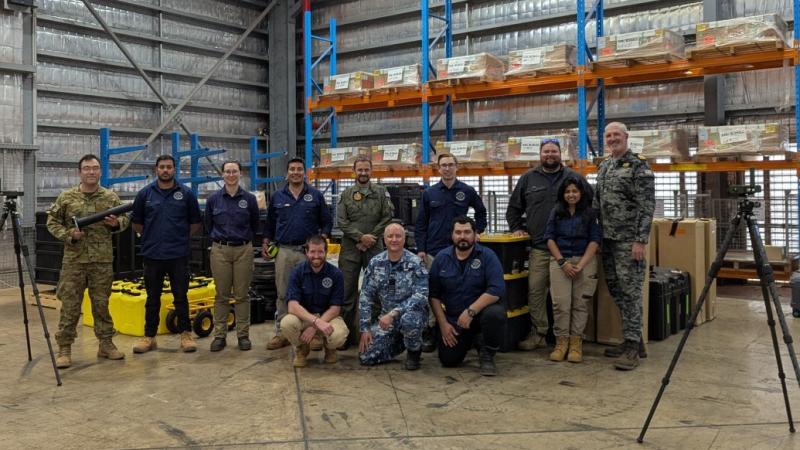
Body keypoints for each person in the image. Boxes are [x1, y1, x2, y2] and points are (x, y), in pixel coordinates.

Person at [506, 138, 593, 351]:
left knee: (568, 299)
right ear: (540, 154)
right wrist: (517, 228)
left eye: (554, 151)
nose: (550, 155)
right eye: (546, 152)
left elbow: (591, 204)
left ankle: (569, 339)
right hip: (540, 248)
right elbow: (513, 208)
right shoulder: (528, 179)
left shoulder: (574, 178)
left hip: (570, 251)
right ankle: (540, 333)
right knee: (535, 291)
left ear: (560, 153)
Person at [46, 154, 129, 368]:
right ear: (80, 172)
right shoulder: (66, 197)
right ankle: (65, 347)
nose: (91, 172)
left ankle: (106, 344)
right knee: (70, 306)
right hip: (74, 261)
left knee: (101, 304)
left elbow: (125, 220)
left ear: (100, 172)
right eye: (86, 168)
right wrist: (68, 235)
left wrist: (114, 223)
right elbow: (52, 222)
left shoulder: (110, 197)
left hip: (101, 261)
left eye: (94, 168)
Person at [593, 121, 656, 371]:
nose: (612, 139)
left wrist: (640, 240)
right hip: (608, 239)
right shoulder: (605, 166)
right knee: (617, 290)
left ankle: (632, 348)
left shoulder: (639, 166)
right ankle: (634, 340)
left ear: (626, 137)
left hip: (628, 241)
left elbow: (646, 205)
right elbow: (598, 203)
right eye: (608, 135)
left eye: (616, 134)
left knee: (630, 293)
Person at [130, 155, 202, 354]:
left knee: (181, 296)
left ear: (174, 169)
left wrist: (178, 237)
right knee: (152, 298)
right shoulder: (145, 194)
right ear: (156, 169)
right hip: (152, 255)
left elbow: (195, 223)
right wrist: (152, 237)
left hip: (178, 255)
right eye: (162, 167)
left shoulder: (186, 194)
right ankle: (149, 337)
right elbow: (137, 223)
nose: (165, 170)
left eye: (169, 167)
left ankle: (186, 335)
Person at [415, 153, 487, 351]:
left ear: (457, 167)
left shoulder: (467, 191)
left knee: (461, 290)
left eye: (450, 165)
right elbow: (421, 224)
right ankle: (431, 330)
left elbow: (481, 212)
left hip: (461, 252)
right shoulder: (429, 194)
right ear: (438, 169)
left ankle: (467, 330)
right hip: (434, 251)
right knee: (432, 293)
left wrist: (477, 231)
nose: (447, 169)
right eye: (443, 165)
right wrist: (421, 249)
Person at [264, 158, 333, 351]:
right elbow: (269, 224)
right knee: (283, 293)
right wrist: (265, 241)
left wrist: (321, 240)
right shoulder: (277, 196)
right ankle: (282, 333)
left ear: (305, 172)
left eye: (299, 169)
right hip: (284, 251)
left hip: (308, 253)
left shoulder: (316, 195)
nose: (295, 172)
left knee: (312, 293)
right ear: (287, 173)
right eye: (292, 169)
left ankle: (315, 333)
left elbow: (327, 221)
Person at [429, 216, 506, 376]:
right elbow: (433, 295)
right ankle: (472, 341)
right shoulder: (441, 259)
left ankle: (487, 352)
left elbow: (497, 289)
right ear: (452, 235)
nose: (462, 236)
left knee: (495, 314)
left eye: (467, 232)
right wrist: (443, 324)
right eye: (458, 232)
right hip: (454, 319)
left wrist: (471, 311)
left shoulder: (488, 256)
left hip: (480, 316)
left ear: (475, 234)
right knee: (449, 361)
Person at [337, 156, 394, 348]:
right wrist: (360, 238)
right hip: (350, 250)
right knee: (347, 293)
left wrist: (370, 238)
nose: (363, 173)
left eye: (366, 170)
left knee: (377, 292)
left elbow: (387, 217)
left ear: (371, 171)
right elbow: (341, 222)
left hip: (375, 248)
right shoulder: (346, 194)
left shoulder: (380, 192)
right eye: (359, 170)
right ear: (354, 172)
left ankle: (374, 334)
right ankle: (346, 336)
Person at [204, 160, 261, 352]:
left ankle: (243, 335)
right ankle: (219, 335)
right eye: (227, 171)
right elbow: (208, 225)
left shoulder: (250, 199)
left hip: (243, 250)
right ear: (222, 175)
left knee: (242, 295)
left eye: (234, 171)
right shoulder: (213, 200)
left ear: (240, 174)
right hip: (220, 250)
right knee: (221, 295)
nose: (230, 174)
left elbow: (255, 225)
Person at [544, 177, 602, 363]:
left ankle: (576, 344)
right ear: (563, 194)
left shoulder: (590, 213)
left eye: (575, 191)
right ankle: (561, 343)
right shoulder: (556, 212)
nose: (571, 195)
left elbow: (595, 240)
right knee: (560, 304)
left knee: (580, 304)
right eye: (567, 191)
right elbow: (549, 238)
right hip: (560, 261)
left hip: (583, 262)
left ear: (581, 193)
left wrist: (581, 265)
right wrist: (562, 262)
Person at [358, 223, 429, 370]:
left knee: (409, 320)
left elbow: (421, 295)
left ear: (404, 239)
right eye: (390, 236)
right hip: (386, 320)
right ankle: (401, 341)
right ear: (384, 239)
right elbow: (366, 296)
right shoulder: (376, 263)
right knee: (366, 356)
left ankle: (414, 351)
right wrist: (365, 329)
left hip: (412, 315)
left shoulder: (415, 263)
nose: (394, 240)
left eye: (398, 236)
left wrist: (394, 313)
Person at [280, 235, 349, 367]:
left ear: (326, 252)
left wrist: (315, 326)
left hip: (328, 318)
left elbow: (335, 309)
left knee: (339, 335)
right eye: (312, 251)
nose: (316, 256)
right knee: (287, 323)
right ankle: (302, 348)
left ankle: (330, 348)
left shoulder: (336, 274)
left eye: (320, 252)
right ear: (306, 252)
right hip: (305, 318)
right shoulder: (297, 272)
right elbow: (292, 306)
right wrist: (315, 322)